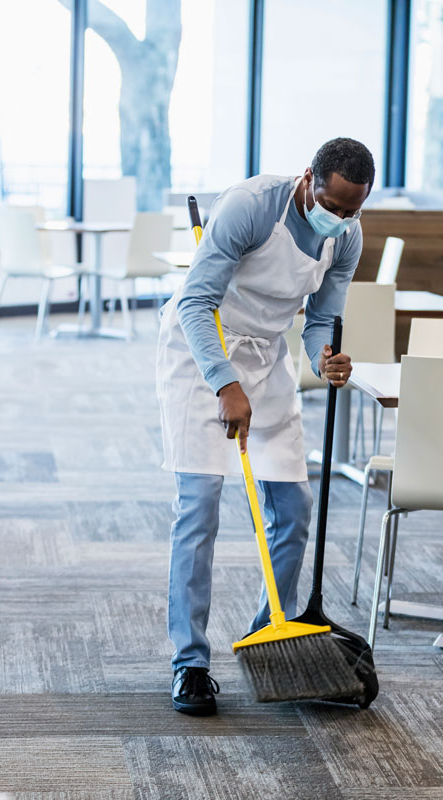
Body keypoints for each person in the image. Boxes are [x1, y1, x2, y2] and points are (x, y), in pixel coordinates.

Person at [155, 138, 375, 715]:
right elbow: (195, 302)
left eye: (354, 210)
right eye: (334, 204)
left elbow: (322, 316)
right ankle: (190, 665)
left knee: (293, 509)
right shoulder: (252, 206)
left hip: (267, 357)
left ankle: (265, 640)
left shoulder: (347, 236)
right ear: (309, 180)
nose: (342, 219)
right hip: (200, 348)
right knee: (200, 505)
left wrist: (328, 354)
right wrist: (224, 384)